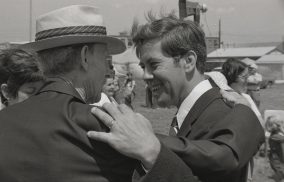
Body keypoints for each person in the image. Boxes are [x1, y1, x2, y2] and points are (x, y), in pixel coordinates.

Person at [87, 12, 265, 182]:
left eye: (154, 64)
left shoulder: (220, 115)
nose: (146, 75)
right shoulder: (200, 109)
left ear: (188, 61)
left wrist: (150, 147)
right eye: (143, 67)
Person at [0, 5, 137, 182]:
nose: (106, 70)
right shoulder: (100, 126)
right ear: (85, 57)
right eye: (104, 58)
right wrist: (154, 150)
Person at [0, 48, 45, 142]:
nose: (40, 98)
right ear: (6, 91)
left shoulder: (46, 128)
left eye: (43, 91)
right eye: (30, 91)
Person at [221, 58, 264, 127]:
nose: (247, 81)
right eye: (244, 77)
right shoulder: (219, 99)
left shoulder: (246, 97)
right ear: (232, 77)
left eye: (248, 77)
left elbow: (261, 124)